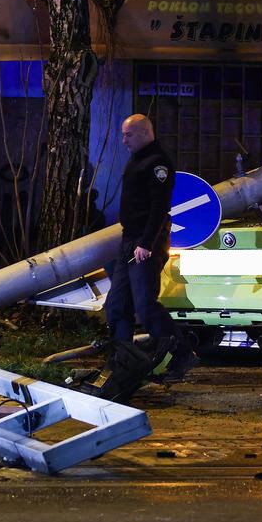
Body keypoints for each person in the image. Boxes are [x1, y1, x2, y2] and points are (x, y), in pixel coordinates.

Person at [104, 114, 196, 382]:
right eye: (123, 135)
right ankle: (122, 363)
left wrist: (146, 244)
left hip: (145, 243)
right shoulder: (138, 159)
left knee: (145, 307)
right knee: (117, 305)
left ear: (145, 133)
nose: (123, 141)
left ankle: (182, 354)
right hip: (129, 240)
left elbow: (159, 207)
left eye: (128, 135)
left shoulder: (157, 163)